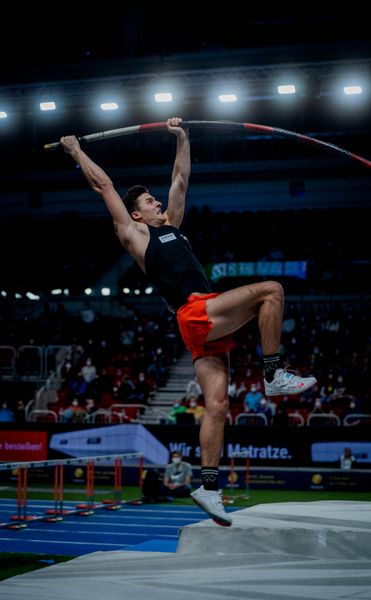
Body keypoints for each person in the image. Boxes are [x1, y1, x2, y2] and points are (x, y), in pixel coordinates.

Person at [60, 117, 316, 527]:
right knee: (272, 290)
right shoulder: (135, 236)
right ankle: (274, 373)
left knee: (217, 406)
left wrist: (183, 136)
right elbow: (104, 186)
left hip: (204, 318)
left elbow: (180, 177)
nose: (157, 202)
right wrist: (75, 150)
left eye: (154, 200)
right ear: (136, 215)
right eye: (148, 203)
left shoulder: (173, 229)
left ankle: (208, 488)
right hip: (195, 312)